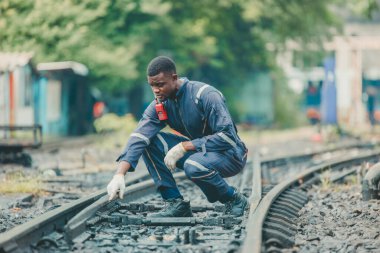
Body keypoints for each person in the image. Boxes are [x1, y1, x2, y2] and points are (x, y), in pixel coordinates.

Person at [107, 56, 248, 217]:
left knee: (193, 164)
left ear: (174, 78)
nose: (156, 90)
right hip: (202, 152)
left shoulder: (205, 95)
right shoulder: (161, 104)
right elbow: (139, 137)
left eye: (160, 84)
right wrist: (119, 174)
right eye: (152, 85)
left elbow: (228, 138)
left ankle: (234, 199)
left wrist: (184, 146)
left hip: (230, 154)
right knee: (149, 142)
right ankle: (175, 203)